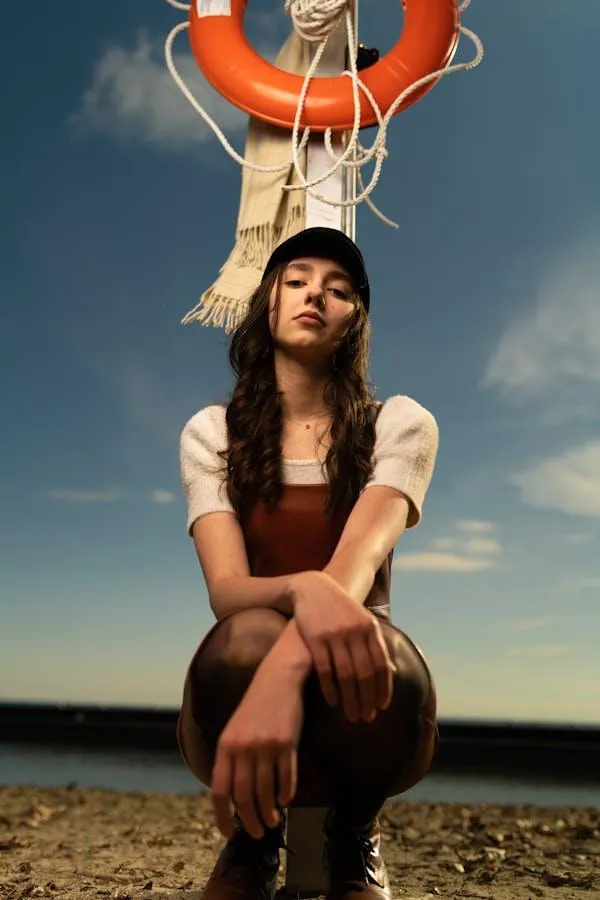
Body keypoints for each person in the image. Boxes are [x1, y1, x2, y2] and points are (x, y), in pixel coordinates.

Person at [177, 226, 440, 900]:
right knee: (246, 638)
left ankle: (355, 832)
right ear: (267, 301)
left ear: (356, 319)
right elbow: (228, 591)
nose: (314, 294)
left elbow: (358, 561)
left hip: (366, 702)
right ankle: (256, 841)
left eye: (339, 289)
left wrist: (289, 669)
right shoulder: (213, 433)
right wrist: (301, 591)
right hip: (238, 687)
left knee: (377, 646)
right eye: (296, 280)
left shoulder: (401, 424)